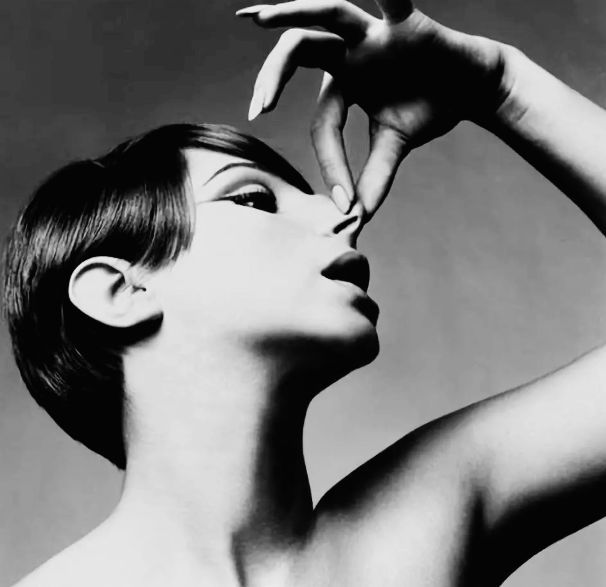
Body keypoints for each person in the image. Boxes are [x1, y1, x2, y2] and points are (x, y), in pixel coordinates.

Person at [5, 0, 606, 585]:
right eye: (252, 198)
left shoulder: (421, 525)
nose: (341, 212)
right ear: (118, 291)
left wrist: (499, 86)